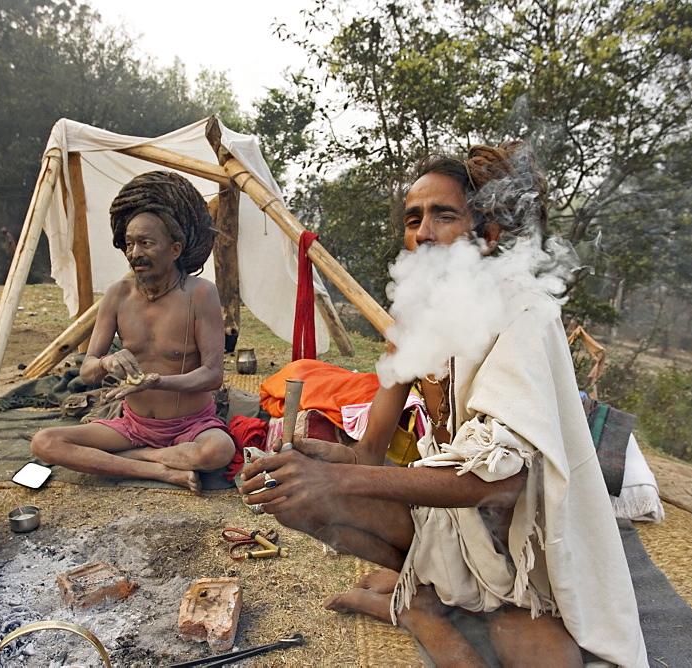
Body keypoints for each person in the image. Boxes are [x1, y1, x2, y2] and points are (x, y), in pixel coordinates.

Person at [240, 144, 647, 666]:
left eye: (444, 215)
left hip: (526, 547)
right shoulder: (415, 319)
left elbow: (501, 483)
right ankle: (428, 603)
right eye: (413, 218)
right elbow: (367, 455)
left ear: (489, 234)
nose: (423, 233)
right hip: (455, 524)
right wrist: (312, 462)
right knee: (296, 498)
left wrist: (336, 480)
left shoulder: (526, 313)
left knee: (548, 661)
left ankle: (430, 606)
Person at [31, 171, 234, 494]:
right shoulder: (117, 295)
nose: (134, 252)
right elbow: (87, 370)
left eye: (146, 243)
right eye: (129, 243)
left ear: (175, 249)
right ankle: (161, 470)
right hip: (133, 425)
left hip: (192, 426)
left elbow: (212, 375)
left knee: (219, 451)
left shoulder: (200, 294)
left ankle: (140, 459)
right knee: (45, 441)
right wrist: (107, 363)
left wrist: (159, 381)